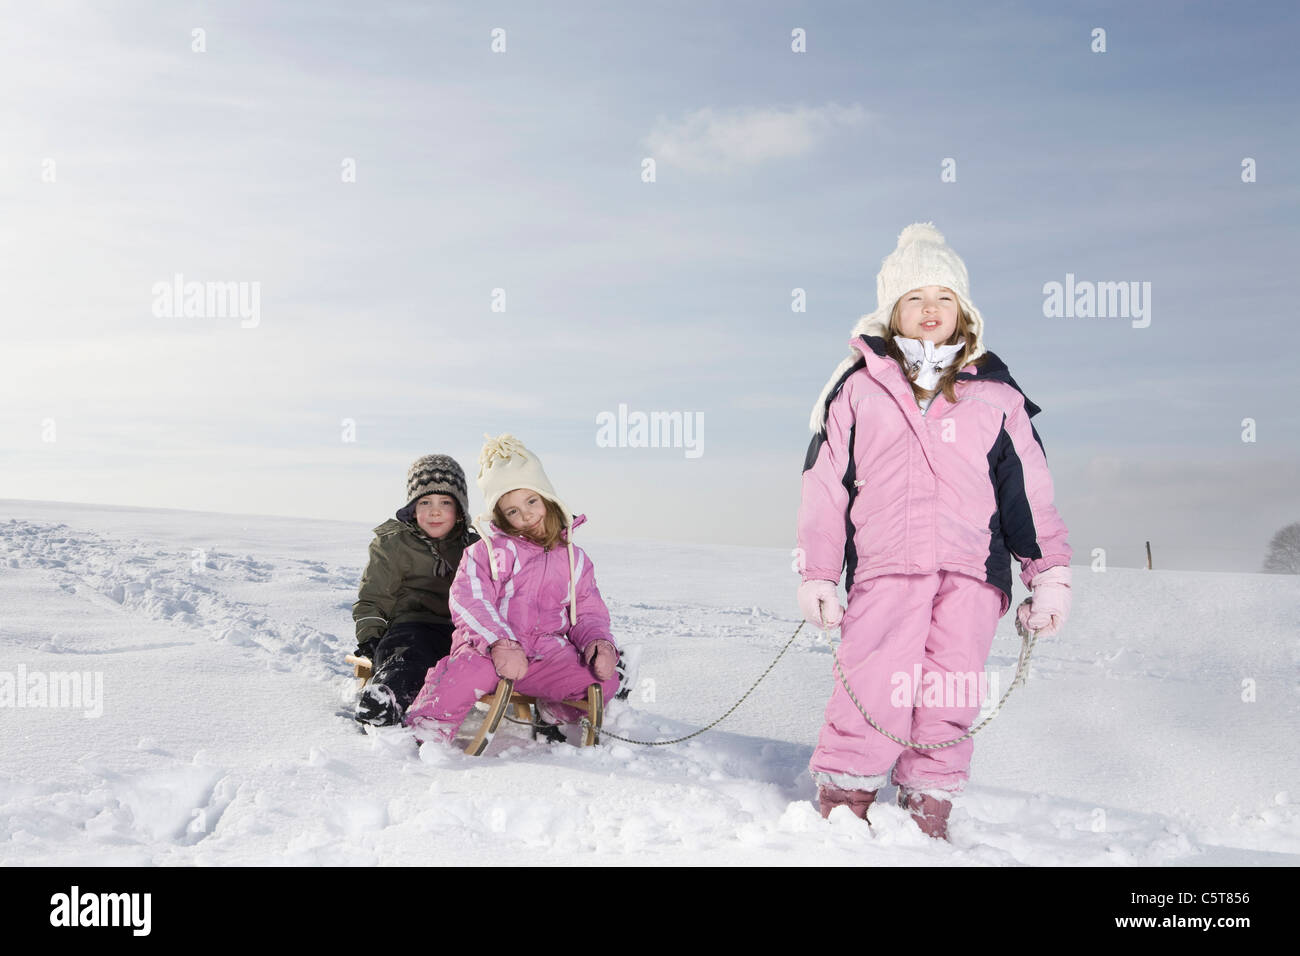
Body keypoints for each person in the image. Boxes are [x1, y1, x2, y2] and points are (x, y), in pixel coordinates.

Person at [796, 222, 1072, 840]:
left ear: (963, 312)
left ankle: (929, 803)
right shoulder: (858, 386)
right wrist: (818, 571)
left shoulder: (997, 394)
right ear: (892, 309)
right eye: (916, 297)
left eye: (944, 298)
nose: (930, 310)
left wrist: (1047, 573)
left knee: (950, 685)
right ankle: (845, 796)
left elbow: (1028, 490)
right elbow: (825, 484)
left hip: (974, 570)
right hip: (885, 565)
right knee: (872, 678)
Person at [405, 434, 620, 744]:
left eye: (531, 501)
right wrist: (499, 642)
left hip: (544, 653)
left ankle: (555, 711)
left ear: (547, 497)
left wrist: (598, 641)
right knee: (466, 675)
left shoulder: (574, 559)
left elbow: (585, 610)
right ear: (501, 517)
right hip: (489, 650)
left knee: (603, 679)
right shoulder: (486, 552)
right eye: (512, 511)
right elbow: (470, 600)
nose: (526, 515)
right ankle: (428, 725)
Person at [351, 454, 478, 727]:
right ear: (412, 507)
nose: (435, 511)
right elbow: (373, 597)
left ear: (459, 509)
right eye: (425, 502)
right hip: (411, 625)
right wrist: (370, 637)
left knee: (465, 664)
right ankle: (386, 698)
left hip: (462, 632)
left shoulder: (475, 546)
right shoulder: (393, 543)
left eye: (445, 502)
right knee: (408, 655)